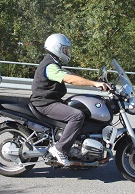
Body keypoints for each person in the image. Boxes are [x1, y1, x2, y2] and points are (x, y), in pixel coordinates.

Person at [31, 33, 110, 166]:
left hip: (49, 101)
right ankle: (60, 149)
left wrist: (97, 81)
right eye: (65, 50)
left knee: (78, 110)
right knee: (77, 116)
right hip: (45, 103)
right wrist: (94, 84)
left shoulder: (54, 63)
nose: (67, 52)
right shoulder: (49, 66)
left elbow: (70, 74)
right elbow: (70, 79)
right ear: (57, 48)